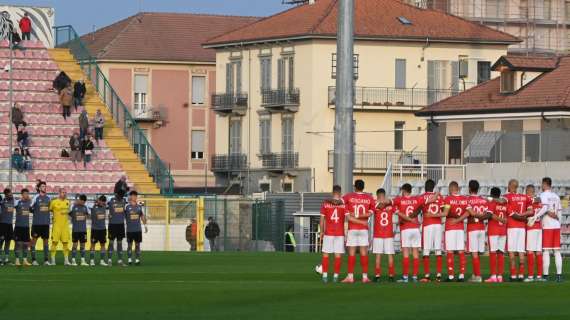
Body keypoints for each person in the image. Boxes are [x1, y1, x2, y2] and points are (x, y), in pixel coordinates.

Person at [389, 183, 424, 283]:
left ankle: (405, 277)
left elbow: (389, 202)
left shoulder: (399, 199)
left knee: (405, 254)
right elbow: (425, 203)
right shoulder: (417, 199)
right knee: (416, 253)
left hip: (405, 228)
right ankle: (415, 277)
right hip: (416, 229)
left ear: (404, 191)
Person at [341, 179, 374, 284]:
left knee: (351, 253)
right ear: (363, 187)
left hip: (353, 228)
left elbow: (339, 201)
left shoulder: (349, 196)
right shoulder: (369, 198)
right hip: (363, 229)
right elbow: (370, 213)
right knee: (364, 253)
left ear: (355, 187)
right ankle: (365, 277)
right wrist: (361, 219)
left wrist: (354, 215)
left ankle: (350, 277)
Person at [531, 177, 563, 282]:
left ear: (545, 184)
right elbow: (559, 213)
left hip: (548, 225)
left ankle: (545, 275)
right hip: (556, 226)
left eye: (542, 184)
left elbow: (544, 208)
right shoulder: (556, 196)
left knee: (546, 251)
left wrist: (536, 216)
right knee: (557, 251)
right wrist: (559, 223)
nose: (541, 186)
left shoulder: (543, 195)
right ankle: (559, 275)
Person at [503, 179, 533, 281]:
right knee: (521, 251)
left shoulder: (507, 197)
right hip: (522, 228)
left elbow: (511, 214)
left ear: (509, 185)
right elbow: (531, 211)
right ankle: (521, 274)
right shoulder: (524, 197)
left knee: (511, 252)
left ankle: (513, 275)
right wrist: (523, 216)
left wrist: (519, 216)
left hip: (512, 227)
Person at [441, 181, 472, 282]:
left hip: (450, 227)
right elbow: (468, 213)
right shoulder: (464, 199)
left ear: (450, 189)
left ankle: (451, 276)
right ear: (458, 189)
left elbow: (445, 213)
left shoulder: (448, 199)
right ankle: (461, 275)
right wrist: (459, 220)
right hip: (460, 228)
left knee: (450, 251)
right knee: (461, 251)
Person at [465, 180, 492, 283]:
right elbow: (487, 213)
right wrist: (482, 217)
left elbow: (471, 213)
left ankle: (478, 276)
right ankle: (475, 273)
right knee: (477, 253)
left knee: (474, 252)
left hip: (472, 227)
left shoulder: (468, 200)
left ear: (469, 189)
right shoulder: (483, 200)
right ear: (478, 189)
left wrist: (477, 216)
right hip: (481, 228)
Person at [319, 185, 346, 283]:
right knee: (337, 255)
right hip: (340, 233)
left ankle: (325, 276)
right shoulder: (343, 204)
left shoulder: (326, 204)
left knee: (326, 254)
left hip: (328, 233)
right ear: (340, 192)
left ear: (332, 192)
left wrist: (321, 232)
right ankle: (335, 277)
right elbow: (346, 219)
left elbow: (322, 219)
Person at [418, 179, 444, 282]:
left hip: (427, 224)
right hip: (437, 224)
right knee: (438, 250)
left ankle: (427, 275)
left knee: (426, 250)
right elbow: (443, 210)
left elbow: (418, 209)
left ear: (425, 187)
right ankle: (438, 275)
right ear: (433, 187)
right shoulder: (439, 197)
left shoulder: (421, 197)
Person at [485, 187, 508, 283]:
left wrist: (499, 219)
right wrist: (502, 220)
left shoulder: (492, 202)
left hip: (493, 230)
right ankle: (500, 276)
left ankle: (493, 276)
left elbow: (490, 215)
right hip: (503, 230)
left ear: (491, 194)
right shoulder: (504, 203)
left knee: (493, 253)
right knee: (501, 253)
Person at [372, 188, 395, 282]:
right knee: (390, 255)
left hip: (378, 233)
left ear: (377, 196)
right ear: (384, 195)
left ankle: (377, 276)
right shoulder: (390, 205)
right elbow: (392, 202)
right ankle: (391, 276)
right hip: (388, 233)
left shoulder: (374, 205)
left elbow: (377, 205)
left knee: (378, 256)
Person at [524, 184, 543, 282]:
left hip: (531, 227)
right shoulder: (539, 201)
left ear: (529, 191)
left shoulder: (529, 201)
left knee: (530, 251)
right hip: (539, 227)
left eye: (526, 191)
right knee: (539, 251)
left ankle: (531, 276)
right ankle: (539, 276)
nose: (526, 193)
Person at [30, 181, 51, 266]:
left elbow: (50, 208)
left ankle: (46, 260)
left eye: (45, 186)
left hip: (45, 224)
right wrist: (37, 213)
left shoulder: (48, 198)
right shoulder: (35, 198)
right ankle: (34, 260)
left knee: (46, 242)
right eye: (42, 186)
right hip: (37, 224)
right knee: (33, 241)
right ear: (39, 188)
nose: (44, 188)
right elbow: (30, 208)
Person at [49, 188, 71, 266]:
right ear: (59, 193)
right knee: (54, 242)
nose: (64, 194)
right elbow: (50, 210)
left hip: (65, 226)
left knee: (65, 243)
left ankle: (66, 260)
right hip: (56, 226)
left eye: (65, 192)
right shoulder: (54, 202)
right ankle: (53, 260)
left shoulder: (68, 202)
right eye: (63, 192)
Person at [125, 191, 147, 265]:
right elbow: (122, 216)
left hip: (138, 229)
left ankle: (137, 259)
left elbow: (142, 216)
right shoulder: (127, 207)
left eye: (135, 196)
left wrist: (145, 225)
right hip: (129, 230)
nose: (134, 197)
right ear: (130, 197)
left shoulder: (139, 207)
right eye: (133, 196)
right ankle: (129, 259)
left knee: (137, 245)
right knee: (129, 245)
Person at [69, 194, 89, 266]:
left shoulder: (85, 207)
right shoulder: (73, 206)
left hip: (83, 229)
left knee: (83, 245)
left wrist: (84, 216)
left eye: (84, 202)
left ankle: (82, 260)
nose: (83, 203)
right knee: (75, 245)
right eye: (82, 201)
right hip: (75, 229)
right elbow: (69, 214)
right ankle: (73, 260)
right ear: (79, 200)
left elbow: (87, 216)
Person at [13, 189, 32, 266]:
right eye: (25, 194)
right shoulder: (17, 202)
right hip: (18, 226)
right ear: (22, 194)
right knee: (18, 243)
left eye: (27, 194)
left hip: (26, 226)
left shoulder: (29, 203)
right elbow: (11, 205)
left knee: (26, 244)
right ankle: (17, 260)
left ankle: (24, 260)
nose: (26, 195)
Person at [107, 191, 127, 266]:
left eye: (122, 196)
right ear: (116, 195)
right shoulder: (111, 200)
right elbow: (105, 207)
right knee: (111, 242)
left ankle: (120, 260)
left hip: (120, 225)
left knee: (119, 243)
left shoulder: (124, 201)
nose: (121, 197)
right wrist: (108, 215)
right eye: (120, 195)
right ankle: (109, 260)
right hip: (112, 225)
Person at [90, 195, 108, 266]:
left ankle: (102, 261)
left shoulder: (104, 207)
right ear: (99, 200)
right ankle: (91, 261)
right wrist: (96, 202)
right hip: (95, 229)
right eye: (102, 201)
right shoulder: (93, 207)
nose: (103, 203)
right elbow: (90, 205)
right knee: (93, 244)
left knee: (103, 245)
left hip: (103, 229)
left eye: (104, 202)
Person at [0, 189, 15, 265]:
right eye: (9, 194)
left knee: (8, 242)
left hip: (9, 224)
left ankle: (6, 259)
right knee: (1, 241)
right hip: (2, 224)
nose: (11, 195)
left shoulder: (13, 200)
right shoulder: (2, 201)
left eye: (11, 193)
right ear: (5, 195)